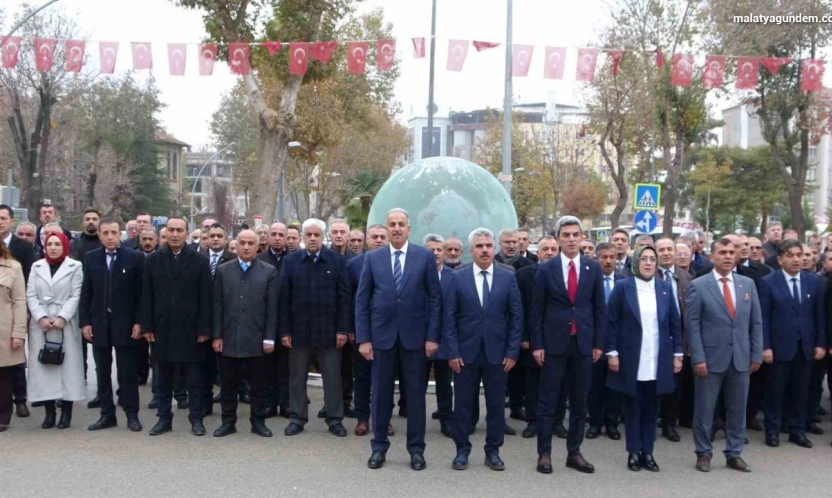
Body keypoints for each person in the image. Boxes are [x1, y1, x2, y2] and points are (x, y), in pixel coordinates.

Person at [356, 208, 442, 471]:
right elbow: (362, 300)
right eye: (391, 224)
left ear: (408, 229)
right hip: (381, 338)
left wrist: (432, 337)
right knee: (380, 397)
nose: (396, 228)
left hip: (415, 339)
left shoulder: (424, 256)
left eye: (401, 224)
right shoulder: (373, 258)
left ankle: (416, 450)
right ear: (386, 227)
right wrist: (364, 339)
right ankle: (379, 448)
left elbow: (435, 299)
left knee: (415, 398)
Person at [444, 228, 523, 471]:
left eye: (489, 245)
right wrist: (453, 352)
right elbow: (449, 318)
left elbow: (516, 317)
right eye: (480, 246)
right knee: (463, 406)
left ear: (494, 248)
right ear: (471, 251)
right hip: (465, 354)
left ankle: (493, 451)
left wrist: (512, 352)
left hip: (498, 355)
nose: (485, 249)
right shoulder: (458, 276)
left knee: (496, 405)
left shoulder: (507, 277)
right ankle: (461, 451)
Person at [531, 215, 605, 475]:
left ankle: (574, 452)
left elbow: (599, 309)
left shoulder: (592, 268)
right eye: (566, 235)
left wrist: (598, 343)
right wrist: (537, 345)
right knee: (548, 400)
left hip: (583, 344)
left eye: (576, 235)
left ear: (582, 237)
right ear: (558, 239)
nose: (572, 239)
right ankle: (545, 453)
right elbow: (537, 310)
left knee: (579, 401)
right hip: (553, 344)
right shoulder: (545, 269)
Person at [687, 237, 762, 473]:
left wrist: (756, 354)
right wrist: (698, 357)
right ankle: (703, 452)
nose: (728, 256)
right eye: (722, 252)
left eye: (732, 252)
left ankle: (734, 453)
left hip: (740, 358)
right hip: (710, 359)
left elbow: (756, 322)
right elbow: (692, 324)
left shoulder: (747, 284)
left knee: (738, 409)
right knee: (705, 409)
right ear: (712, 256)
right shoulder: (699, 285)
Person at [606, 246, 683, 472]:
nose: (648, 263)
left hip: (658, 357)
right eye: (644, 259)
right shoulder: (623, 287)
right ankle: (633, 452)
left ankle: (648, 452)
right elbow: (611, 323)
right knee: (632, 407)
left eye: (652, 259)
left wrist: (678, 354)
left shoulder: (665, 288)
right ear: (636, 262)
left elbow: (674, 324)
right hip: (631, 357)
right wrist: (612, 353)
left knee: (652, 407)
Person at [141, 218, 213, 436]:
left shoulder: (199, 260)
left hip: (191, 330)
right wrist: (147, 326)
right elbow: (146, 296)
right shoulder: (153, 260)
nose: (174, 234)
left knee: (194, 380)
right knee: (162, 380)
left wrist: (204, 329)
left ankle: (196, 419)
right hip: (162, 328)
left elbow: (206, 298)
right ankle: (164, 419)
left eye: (179, 230)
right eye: (170, 230)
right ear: (165, 232)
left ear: (187, 233)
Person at [279, 219, 351, 438]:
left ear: (323, 237)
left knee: (332, 378)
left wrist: (342, 329)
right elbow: (283, 299)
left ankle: (334, 418)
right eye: (308, 235)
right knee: (297, 378)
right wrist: (285, 331)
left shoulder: (337, 261)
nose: (312, 238)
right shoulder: (291, 262)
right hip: (299, 331)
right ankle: (297, 418)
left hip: (329, 331)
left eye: (316, 235)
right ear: (302, 238)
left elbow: (344, 298)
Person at [759, 240, 826, 448]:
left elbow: (819, 316)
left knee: (801, 392)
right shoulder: (768, 282)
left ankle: (797, 431)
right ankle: (772, 430)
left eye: (799, 255)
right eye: (791, 255)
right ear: (780, 259)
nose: (797, 259)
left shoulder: (813, 282)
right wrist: (765, 346)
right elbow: (763, 317)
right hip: (779, 347)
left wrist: (820, 343)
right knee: (775, 391)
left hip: (805, 347)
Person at [80, 219, 144, 433]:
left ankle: (132, 414)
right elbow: (86, 292)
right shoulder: (91, 258)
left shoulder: (134, 258)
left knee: (127, 372)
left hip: (125, 324)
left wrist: (139, 322)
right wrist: (85, 322)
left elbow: (141, 294)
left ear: (121, 234)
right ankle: (107, 415)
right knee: (103, 372)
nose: (109, 236)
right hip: (99, 323)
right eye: (105, 232)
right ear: (99, 235)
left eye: (113, 232)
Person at [212, 230, 278, 438]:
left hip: (257, 339)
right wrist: (217, 335)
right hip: (229, 337)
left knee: (258, 385)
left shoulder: (268, 271)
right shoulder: (223, 271)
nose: (246, 247)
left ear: (258, 246)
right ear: (236, 245)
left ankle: (257, 422)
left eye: (251, 243)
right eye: (242, 243)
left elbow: (271, 308)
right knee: (228, 384)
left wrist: (269, 337)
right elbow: (217, 305)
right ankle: (228, 422)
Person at [27, 232, 85, 429]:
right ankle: (49, 411)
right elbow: (31, 295)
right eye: (49, 244)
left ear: (65, 246)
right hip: (41, 324)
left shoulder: (75, 266)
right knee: (44, 368)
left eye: (57, 244)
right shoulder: (37, 266)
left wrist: (63, 317)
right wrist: (41, 317)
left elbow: (77, 294)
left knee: (68, 367)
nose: (53, 247)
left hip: (65, 323)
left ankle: (66, 410)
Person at [349, 224, 394, 437]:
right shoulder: (354, 265)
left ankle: (384, 421)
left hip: (390, 332)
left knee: (385, 378)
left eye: (382, 237)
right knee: (363, 377)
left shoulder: (396, 263)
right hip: (364, 332)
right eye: (374, 237)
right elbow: (352, 301)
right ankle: (362, 419)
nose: (378, 240)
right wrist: (355, 331)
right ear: (366, 240)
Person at [515, 237, 560, 439]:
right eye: (545, 249)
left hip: (560, 339)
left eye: (553, 249)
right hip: (532, 339)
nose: (549, 252)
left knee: (559, 382)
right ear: (538, 252)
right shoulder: (524, 275)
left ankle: (557, 422)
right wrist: (524, 336)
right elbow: (519, 308)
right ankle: (532, 421)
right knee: (532, 383)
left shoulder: (566, 274)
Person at [655, 237, 695, 441]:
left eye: (669, 249)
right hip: (655, 336)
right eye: (661, 249)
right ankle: (652, 419)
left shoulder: (687, 278)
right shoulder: (648, 275)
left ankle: (670, 423)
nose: (666, 253)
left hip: (679, 335)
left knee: (675, 382)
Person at [585, 243, 623, 441]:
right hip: (594, 342)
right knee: (594, 386)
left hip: (617, 343)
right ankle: (594, 422)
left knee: (614, 386)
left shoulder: (625, 282)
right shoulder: (589, 281)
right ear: (596, 258)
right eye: (604, 257)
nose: (608, 261)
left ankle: (611, 423)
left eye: (611, 257)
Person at [1, 205, 34, 418]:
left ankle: (20, 399)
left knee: (14, 360)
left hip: (13, 314)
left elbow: (27, 284)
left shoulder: (22, 247)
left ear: (11, 221)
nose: (0, 222)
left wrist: (23, 320)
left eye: (3, 218)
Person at [256, 222, 289, 418]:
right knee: (266, 367)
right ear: (267, 237)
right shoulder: (259, 259)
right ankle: (269, 403)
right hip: (263, 320)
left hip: (285, 319)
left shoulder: (293, 260)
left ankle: (285, 404)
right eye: (273, 234)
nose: (277, 237)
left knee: (286, 367)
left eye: (280, 234)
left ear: (286, 238)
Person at [203, 223, 236, 415]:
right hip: (205, 320)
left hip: (226, 320)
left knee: (226, 366)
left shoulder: (233, 259)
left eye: (219, 236)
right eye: (212, 235)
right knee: (204, 366)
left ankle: (227, 402)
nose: (215, 239)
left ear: (226, 239)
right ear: (206, 238)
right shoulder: (198, 259)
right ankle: (205, 403)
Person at [423, 233, 454, 437]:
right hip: (419, 339)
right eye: (430, 249)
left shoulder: (455, 276)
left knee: (444, 384)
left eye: (438, 249)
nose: (435, 253)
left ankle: (446, 420)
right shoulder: (416, 274)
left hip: (445, 339)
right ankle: (415, 420)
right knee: (417, 384)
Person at [0, 239, 27, 432]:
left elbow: (19, 301)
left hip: (4, 328)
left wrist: (18, 332)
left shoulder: (13, 267)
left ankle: (3, 416)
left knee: (3, 376)